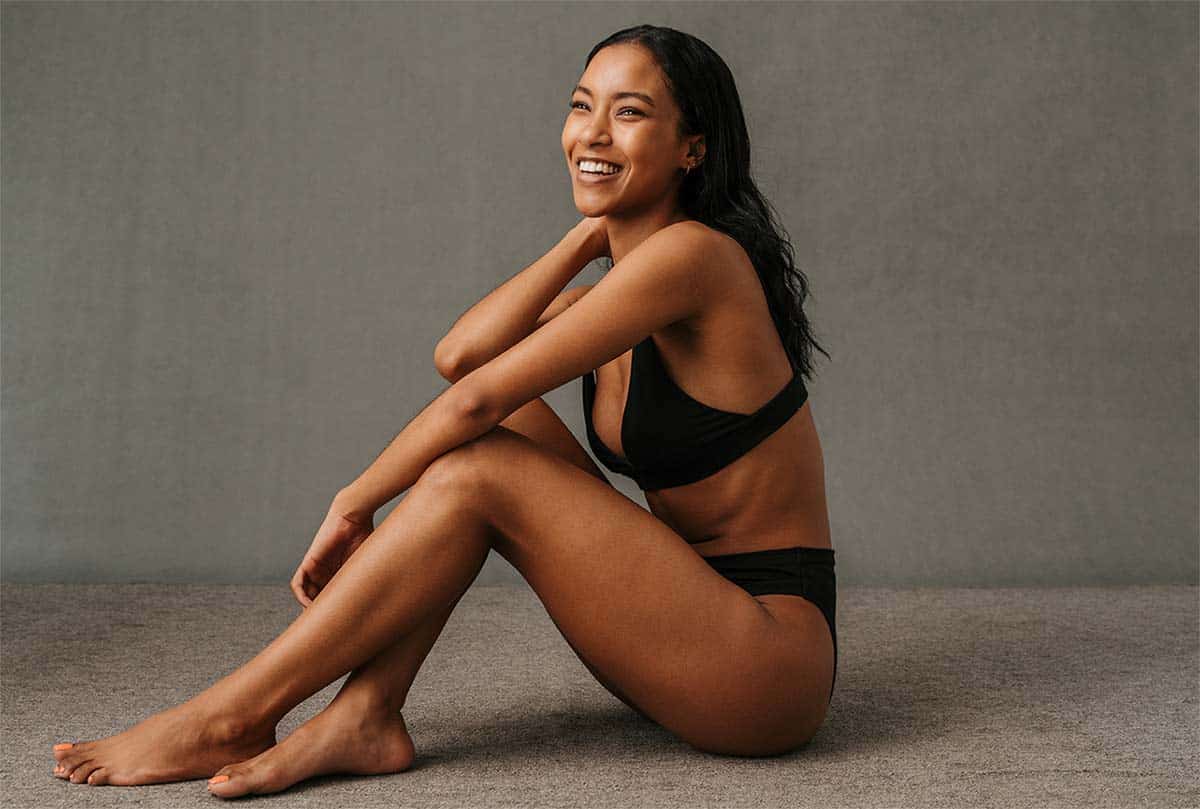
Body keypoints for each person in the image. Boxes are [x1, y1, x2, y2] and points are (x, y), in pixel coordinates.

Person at [50, 24, 836, 798]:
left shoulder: (696, 258)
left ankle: (233, 713)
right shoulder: (616, 291)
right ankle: (366, 710)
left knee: (479, 461)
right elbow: (463, 357)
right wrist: (585, 238)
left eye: (629, 113)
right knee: (501, 434)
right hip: (679, 628)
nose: (592, 133)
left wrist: (357, 500)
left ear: (692, 148)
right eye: (580, 105)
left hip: (763, 664)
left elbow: (476, 393)